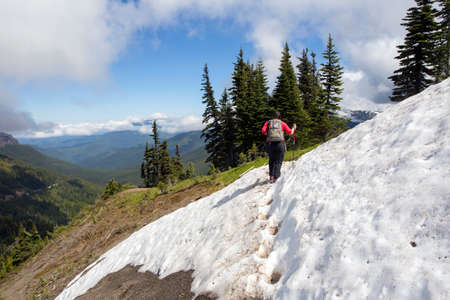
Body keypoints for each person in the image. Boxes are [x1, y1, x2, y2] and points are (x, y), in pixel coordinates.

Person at [261, 111, 296, 183]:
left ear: (272, 116)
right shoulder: (282, 123)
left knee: (271, 160)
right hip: (280, 144)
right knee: (278, 161)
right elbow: (290, 132)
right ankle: (276, 178)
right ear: (279, 116)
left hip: (270, 144)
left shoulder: (268, 123)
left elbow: (263, 131)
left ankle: (271, 176)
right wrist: (294, 128)